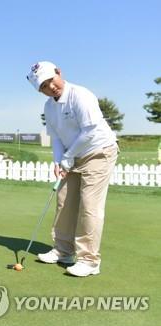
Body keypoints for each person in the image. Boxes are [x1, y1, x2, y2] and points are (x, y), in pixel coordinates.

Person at [27, 61, 119, 277]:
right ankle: (64, 251)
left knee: (89, 206)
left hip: (98, 151)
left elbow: (89, 131)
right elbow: (57, 137)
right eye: (43, 87)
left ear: (59, 73)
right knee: (64, 201)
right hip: (73, 156)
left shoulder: (80, 95)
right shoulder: (49, 107)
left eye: (51, 81)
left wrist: (67, 157)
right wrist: (58, 162)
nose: (50, 88)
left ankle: (89, 261)